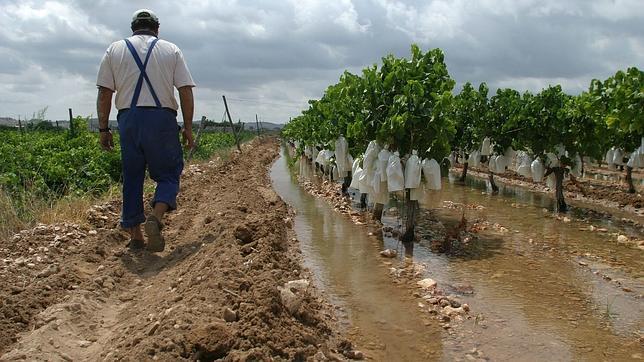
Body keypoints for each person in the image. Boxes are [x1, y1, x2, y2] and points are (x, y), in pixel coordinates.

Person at [96, 9, 195, 252]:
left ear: (133, 28)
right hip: (161, 119)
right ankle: (157, 216)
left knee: (132, 177)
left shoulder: (114, 49)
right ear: (157, 29)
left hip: (128, 119)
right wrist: (188, 128)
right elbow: (185, 90)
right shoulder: (171, 50)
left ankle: (136, 236)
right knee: (169, 174)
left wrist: (103, 129)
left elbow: (104, 93)